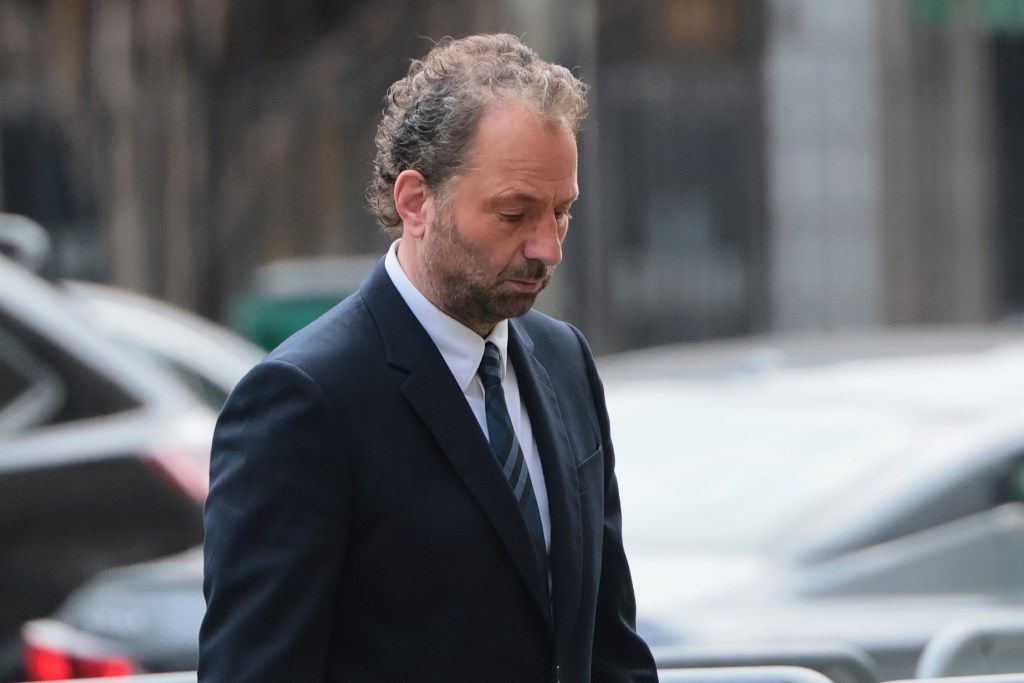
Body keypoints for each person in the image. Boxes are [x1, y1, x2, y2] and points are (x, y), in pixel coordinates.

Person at [199, 33, 658, 683]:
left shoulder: (565, 363)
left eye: (562, 212)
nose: (547, 247)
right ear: (416, 201)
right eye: (514, 213)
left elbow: (610, 649)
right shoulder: (304, 400)